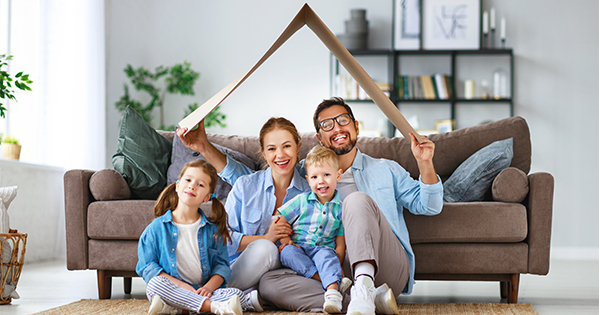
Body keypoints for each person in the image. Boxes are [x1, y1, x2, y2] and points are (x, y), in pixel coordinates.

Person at [177, 117, 311, 298]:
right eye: (271, 149)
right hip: (239, 267)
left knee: (272, 255)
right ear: (263, 153)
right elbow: (225, 239)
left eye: (287, 146)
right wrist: (266, 237)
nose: (280, 155)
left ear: (297, 147)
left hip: (280, 274)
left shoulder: (310, 193)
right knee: (265, 247)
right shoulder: (246, 186)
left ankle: (207, 298)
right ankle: (213, 296)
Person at [136, 159, 260, 315]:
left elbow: (221, 267)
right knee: (155, 285)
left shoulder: (213, 230)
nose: (192, 186)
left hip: (201, 290)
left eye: (200, 185)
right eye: (188, 180)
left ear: (207, 197)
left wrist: (208, 288)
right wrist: (182, 287)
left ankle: (178, 307)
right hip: (171, 288)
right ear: (178, 185)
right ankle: (213, 307)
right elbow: (147, 267)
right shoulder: (156, 228)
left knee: (234, 293)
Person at [277, 145, 350, 314]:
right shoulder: (301, 200)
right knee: (286, 253)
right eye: (315, 177)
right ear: (308, 180)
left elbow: (340, 238)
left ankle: (332, 294)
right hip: (299, 248)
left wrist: (337, 257)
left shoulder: (341, 208)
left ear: (337, 175)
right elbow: (281, 221)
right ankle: (329, 279)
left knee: (327, 256)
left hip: (322, 249)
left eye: (326, 175)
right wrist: (286, 242)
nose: (321, 181)